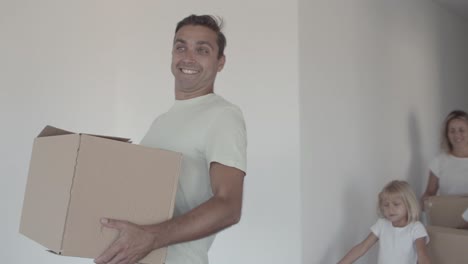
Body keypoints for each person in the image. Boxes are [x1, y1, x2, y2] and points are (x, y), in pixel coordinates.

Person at [94, 14, 247, 264]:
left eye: (202, 50)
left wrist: (151, 238)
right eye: (181, 47)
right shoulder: (161, 121)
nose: (188, 57)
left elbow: (229, 206)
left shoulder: (223, 115)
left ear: (220, 62)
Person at [337, 180, 430, 264]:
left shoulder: (416, 228)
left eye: (396, 204)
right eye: (386, 205)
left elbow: (422, 256)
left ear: (409, 204)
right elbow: (362, 248)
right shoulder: (382, 224)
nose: (390, 209)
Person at [421, 110, 468, 209]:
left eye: (461, 130)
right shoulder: (439, 161)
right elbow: (429, 193)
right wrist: (423, 202)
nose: (457, 135)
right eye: (452, 131)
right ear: (447, 134)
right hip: (446, 218)